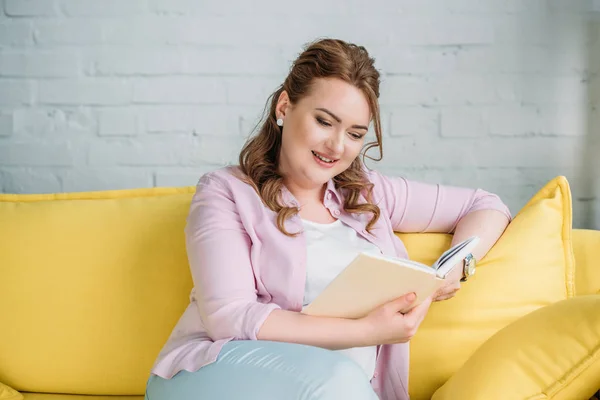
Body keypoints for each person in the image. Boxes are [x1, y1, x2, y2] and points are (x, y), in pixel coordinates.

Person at [144, 38, 511, 400]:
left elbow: (486, 205)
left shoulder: (369, 194)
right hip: (213, 377)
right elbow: (228, 317)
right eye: (324, 121)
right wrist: (368, 331)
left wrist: (450, 271)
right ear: (285, 107)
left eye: (355, 134)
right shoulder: (225, 192)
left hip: (336, 389)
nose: (337, 146)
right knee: (335, 380)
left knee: (340, 382)